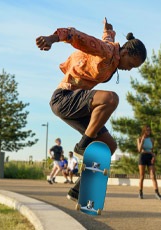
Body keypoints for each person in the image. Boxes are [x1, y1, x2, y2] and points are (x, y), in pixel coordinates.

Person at [36, 17, 147, 201]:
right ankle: (83, 144)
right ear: (126, 52)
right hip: (64, 98)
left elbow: (107, 39)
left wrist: (107, 31)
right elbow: (75, 35)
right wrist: (51, 39)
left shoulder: (112, 50)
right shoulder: (107, 51)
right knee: (111, 98)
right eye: (131, 64)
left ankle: (78, 190)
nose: (130, 69)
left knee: (109, 146)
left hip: (79, 106)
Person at [137, 125, 161, 200]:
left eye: (149, 130)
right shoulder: (139, 139)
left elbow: (152, 150)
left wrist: (153, 157)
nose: (149, 131)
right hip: (142, 157)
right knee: (142, 176)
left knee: (153, 175)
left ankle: (157, 193)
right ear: (144, 131)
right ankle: (140, 192)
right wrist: (142, 141)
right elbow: (139, 150)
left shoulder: (151, 139)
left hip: (150, 157)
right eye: (147, 130)